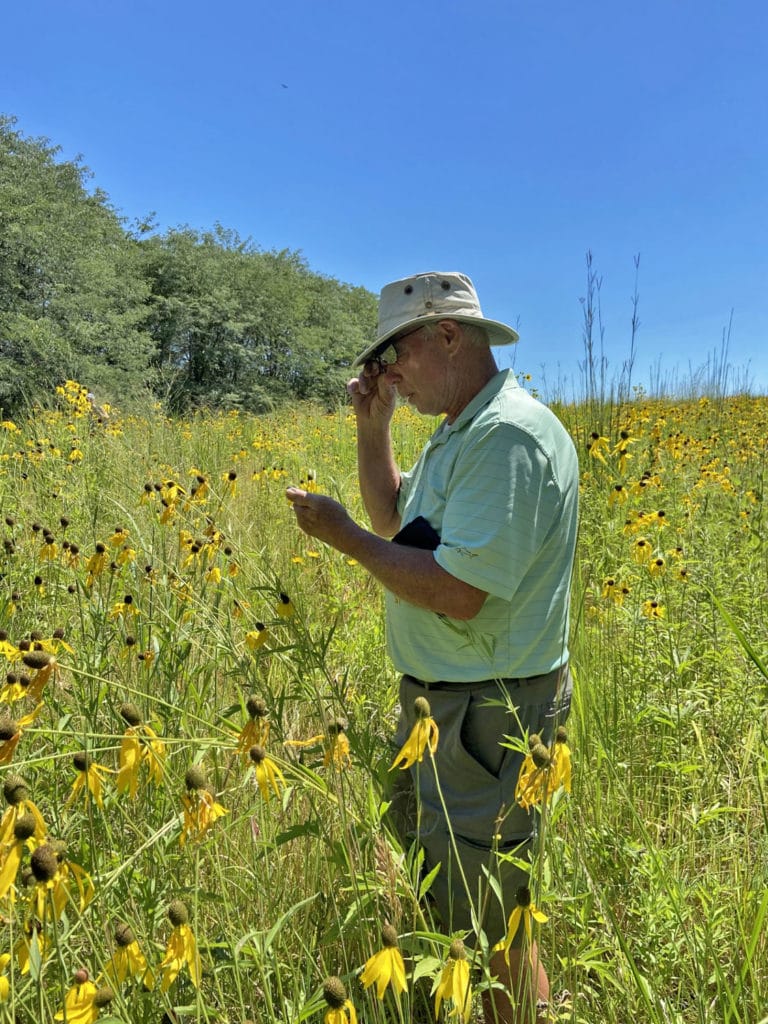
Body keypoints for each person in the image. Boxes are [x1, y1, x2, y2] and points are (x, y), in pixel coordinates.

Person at [286, 271, 578, 1024]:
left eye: (395, 357)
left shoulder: (506, 438)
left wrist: (341, 538)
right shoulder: (462, 432)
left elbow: (460, 590)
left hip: (488, 714)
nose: (387, 375)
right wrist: (371, 426)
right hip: (444, 706)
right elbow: (397, 523)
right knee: (463, 903)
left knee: (492, 915)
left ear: (448, 336)